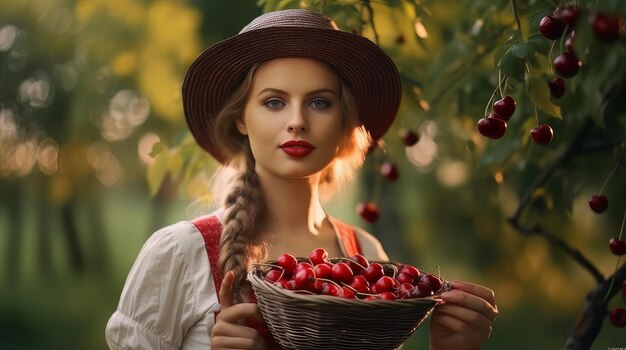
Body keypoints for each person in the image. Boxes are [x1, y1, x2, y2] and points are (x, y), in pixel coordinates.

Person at [105, 8, 498, 350]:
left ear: (345, 121)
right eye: (274, 102)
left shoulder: (367, 255)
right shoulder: (178, 253)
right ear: (242, 118)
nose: (297, 121)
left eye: (319, 102)